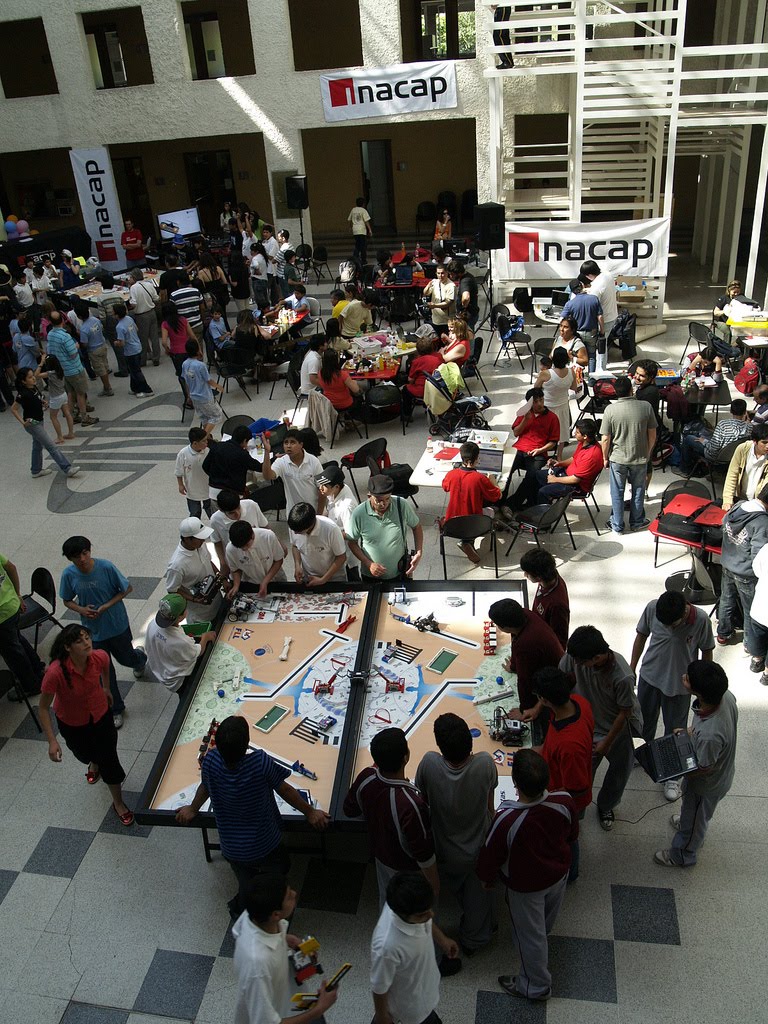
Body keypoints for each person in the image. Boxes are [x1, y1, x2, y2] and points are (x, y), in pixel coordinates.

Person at [176, 715, 329, 917]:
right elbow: (285, 790)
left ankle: (246, 901)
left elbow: (205, 787)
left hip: (232, 848)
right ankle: (269, 908)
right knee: (281, 868)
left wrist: (193, 808)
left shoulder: (210, 761)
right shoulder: (259, 762)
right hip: (266, 843)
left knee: (244, 878)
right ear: (247, 743)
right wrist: (310, 812)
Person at [477, 749, 578, 1002]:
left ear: (515, 783)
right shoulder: (564, 800)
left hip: (526, 888)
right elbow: (572, 834)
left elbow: (490, 855)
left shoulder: (507, 819)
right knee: (543, 924)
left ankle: (535, 986)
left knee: (529, 938)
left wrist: (486, 878)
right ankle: (541, 939)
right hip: (558, 875)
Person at [415, 713, 497, 956]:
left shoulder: (429, 763)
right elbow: (490, 808)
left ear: (440, 747)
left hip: (441, 849)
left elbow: (422, 801)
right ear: (469, 741)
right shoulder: (485, 763)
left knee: (437, 895)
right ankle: (473, 940)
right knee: (477, 901)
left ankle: (436, 945)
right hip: (476, 851)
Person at [39, 625, 134, 825]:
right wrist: (52, 741)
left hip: (101, 716)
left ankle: (118, 803)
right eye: (79, 641)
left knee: (109, 759)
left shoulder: (98, 657)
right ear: (67, 647)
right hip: (73, 724)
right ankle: (93, 762)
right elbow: (43, 708)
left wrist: (106, 688)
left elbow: (106, 667)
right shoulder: (55, 673)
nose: (86, 643)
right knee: (83, 754)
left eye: (87, 638)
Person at [631, 590, 715, 802]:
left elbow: (707, 651)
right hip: (650, 677)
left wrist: (703, 685)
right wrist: (632, 668)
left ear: (684, 612)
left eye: (672, 624)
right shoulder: (653, 607)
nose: (668, 628)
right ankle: (643, 754)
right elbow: (641, 636)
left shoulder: (701, 620)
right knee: (643, 722)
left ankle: (672, 777)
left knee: (676, 730)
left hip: (680, 686)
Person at [344, 728, 440, 910]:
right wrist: (434, 887)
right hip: (407, 869)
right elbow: (424, 855)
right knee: (412, 908)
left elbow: (349, 809)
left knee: (387, 899)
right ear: (406, 757)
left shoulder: (366, 777)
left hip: (381, 857)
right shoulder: (411, 804)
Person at [654, 661, 738, 868]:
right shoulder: (724, 697)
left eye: (687, 679)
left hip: (705, 786)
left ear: (698, 692)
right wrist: (688, 734)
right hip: (719, 776)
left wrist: (673, 769)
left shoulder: (711, 735)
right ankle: (688, 821)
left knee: (696, 822)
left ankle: (683, 854)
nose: (683, 677)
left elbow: (703, 767)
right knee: (692, 813)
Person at [560, 625, 642, 831]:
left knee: (619, 771)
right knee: (582, 775)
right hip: (586, 725)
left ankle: (606, 805)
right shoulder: (575, 656)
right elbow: (560, 679)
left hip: (617, 728)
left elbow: (625, 713)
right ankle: (576, 814)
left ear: (597, 658)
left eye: (581, 662)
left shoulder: (622, 676)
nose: (576, 664)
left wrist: (607, 742)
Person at [60, 536, 146, 729]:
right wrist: (81, 610)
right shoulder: (68, 575)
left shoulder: (106, 567)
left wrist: (106, 606)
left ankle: (139, 658)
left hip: (116, 625)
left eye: (85, 553)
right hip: (93, 633)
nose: (82, 559)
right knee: (104, 670)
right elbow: (67, 600)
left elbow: (127, 588)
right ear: (70, 558)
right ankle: (116, 708)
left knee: (126, 658)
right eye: (77, 556)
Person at [231, 876, 338, 1024]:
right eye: (288, 897)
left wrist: (287, 939)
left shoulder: (252, 915)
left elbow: (242, 933)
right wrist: (319, 1009)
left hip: (289, 1001)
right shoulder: (257, 966)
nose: (294, 894)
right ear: (276, 914)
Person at [371, 872, 459, 1024]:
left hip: (422, 986)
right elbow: (379, 986)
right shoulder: (386, 947)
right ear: (402, 914)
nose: (431, 915)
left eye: (430, 908)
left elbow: (426, 919)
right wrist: (382, 1016)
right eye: (423, 914)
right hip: (409, 1006)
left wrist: (442, 940)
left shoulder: (407, 904)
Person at [533, 667, 594, 881]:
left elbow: (576, 789)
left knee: (567, 837)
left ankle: (570, 873)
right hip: (558, 779)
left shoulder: (569, 746)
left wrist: (544, 800)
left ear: (544, 699)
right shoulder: (579, 702)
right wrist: (542, 751)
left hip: (563, 801)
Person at [488, 599, 563, 744]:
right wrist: (514, 665)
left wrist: (525, 709)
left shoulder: (526, 645)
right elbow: (515, 639)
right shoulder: (526, 615)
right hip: (553, 664)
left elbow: (525, 680)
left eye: (497, 624)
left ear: (505, 627)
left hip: (553, 681)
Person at [716, 484, 768, 659]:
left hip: (727, 564)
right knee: (749, 610)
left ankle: (723, 634)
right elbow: (760, 555)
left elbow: (723, 523)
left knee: (726, 600)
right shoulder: (762, 522)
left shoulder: (739, 506)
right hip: (746, 574)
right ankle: (748, 644)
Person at [600, 375, 657, 533]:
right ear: (631, 390)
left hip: (618, 459)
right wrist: (648, 452)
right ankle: (637, 521)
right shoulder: (646, 407)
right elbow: (652, 434)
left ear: (615, 392)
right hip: (640, 458)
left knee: (617, 492)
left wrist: (605, 457)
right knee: (638, 490)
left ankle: (617, 524)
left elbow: (605, 438)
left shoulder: (610, 410)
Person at [507, 419, 603, 511]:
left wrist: (555, 479)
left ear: (585, 436)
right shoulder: (584, 443)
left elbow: (576, 479)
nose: (574, 434)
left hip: (576, 486)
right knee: (535, 475)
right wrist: (559, 463)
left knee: (543, 492)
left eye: (577, 433)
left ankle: (542, 518)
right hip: (567, 474)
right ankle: (530, 505)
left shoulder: (591, 455)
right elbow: (574, 459)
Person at [347, 475, 423, 581]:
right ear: (369, 496)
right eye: (378, 500)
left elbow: (416, 526)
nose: (383, 504)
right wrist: (369, 563)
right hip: (370, 576)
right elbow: (352, 542)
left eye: (387, 499)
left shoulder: (401, 505)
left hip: (399, 572)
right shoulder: (359, 513)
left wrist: (419, 552)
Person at [10, 369, 82, 479]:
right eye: (30, 377)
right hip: (33, 424)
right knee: (51, 446)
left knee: (37, 446)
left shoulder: (34, 388)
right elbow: (14, 409)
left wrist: (43, 402)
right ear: (23, 381)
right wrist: (23, 422)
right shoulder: (22, 394)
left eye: (33, 376)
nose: (33, 378)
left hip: (39, 421)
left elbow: (36, 399)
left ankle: (36, 470)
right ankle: (67, 468)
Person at [144, 593, 215, 698]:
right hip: (178, 680)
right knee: (188, 695)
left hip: (161, 669)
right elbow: (198, 652)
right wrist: (205, 637)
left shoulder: (152, 624)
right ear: (181, 617)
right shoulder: (180, 641)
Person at [440, 441, 501, 563]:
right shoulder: (480, 478)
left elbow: (445, 487)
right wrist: (493, 481)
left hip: (452, 524)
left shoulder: (451, 474)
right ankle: (468, 541)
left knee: (467, 517)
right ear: (477, 458)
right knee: (493, 511)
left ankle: (467, 542)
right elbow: (497, 496)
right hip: (475, 524)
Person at [0, 553, 46, 701]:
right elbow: (11, 567)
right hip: (12, 605)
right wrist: (17, 594)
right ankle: (38, 668)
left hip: (1, 617)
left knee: (13, 653)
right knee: (17, 639)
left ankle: (31, 685)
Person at [165, 516, 223, 624]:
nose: (203, 540)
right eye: (200, 538)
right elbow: (172, 589)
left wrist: (221, 578)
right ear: (187, 539)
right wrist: (194, 599)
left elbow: (209, 561)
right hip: (200, 615)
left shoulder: (200, 545)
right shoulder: (176, 565)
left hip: (217, 601)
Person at [46, 310, 99, 426]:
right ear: (62, 320)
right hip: (74, 369)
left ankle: (72, 415)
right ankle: (84, 417)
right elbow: (73, 354)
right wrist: (76, 346)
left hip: (62, 369)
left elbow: (49, 351)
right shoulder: (65, 336)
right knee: (80, 393)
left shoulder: (50, 335)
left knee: (70, 392)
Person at [261, 427, 325, 511]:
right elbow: (267, 476)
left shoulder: (314, 461)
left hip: (313, 510)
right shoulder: (281, 462)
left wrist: (319, 514)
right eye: (286, 442)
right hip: (293, 512)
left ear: (301, 445)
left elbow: (322, 489)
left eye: (292, 442)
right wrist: (267, 452)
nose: (288, 446)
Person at [287, 503, 347, 586]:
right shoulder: (295, 526)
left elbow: (341, 557)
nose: (295, 533)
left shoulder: (331, 529)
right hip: (309, 578)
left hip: (333, 579)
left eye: (299, 532)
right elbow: (295, 546)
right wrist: (297, 565)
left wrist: (323, 579)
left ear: (310, 526)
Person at [520, 548, 570, 646]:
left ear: (539, 577)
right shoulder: (549, 576)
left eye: (527, 573)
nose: (525, 575)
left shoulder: (557, 605)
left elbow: (560, 641)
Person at [226, 520, 286, 599]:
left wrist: (265, 582)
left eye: (247, 545)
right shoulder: (230, 549)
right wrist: (236, 586)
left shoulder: (268, 536)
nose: (244, 549)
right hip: (252, 584)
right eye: (240, 547)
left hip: (275, 579)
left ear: (253, 535)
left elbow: (278, 560)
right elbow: (236, 569)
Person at [535, 347, 575, 458]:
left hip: (547, 406)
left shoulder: (546, 373)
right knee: (562, 431)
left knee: (545, 431)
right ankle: (559, 456)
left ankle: (543, 453)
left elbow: (536, 387)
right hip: (563, 405)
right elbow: (574, 387)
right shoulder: (571, 372)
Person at [210, 489, 269, 565]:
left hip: (260, 552)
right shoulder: (215, 520)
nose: (237, 514)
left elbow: (266, 527)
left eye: (238, 508)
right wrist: (223, 562)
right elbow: (217, 542)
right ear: (221, 510)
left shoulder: (251, 505)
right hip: (238, 559)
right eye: (232, 513)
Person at [510, 387, 560, 473]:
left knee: (533, 474)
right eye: (535, 402)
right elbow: (516, 433)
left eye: (541, 400)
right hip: (519, 449)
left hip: (538, 453)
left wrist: (540, 450)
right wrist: (525, 419)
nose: (539, 404)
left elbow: (553, 442)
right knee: (507, 468)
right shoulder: (524, 413)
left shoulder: (553, 417)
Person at [182, 339, 224, 436]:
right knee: (216, 415)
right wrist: (218, 387)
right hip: (204, 396)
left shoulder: (185, 364)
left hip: (194, 397)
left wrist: (188, 395)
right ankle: (203, 437)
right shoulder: (200, 365)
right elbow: (208, 380)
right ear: (198, 350)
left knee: (204, 418)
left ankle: (208, 439)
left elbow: (186, 381)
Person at [722, 424, 768, 509]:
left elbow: (765, 486)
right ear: (755, 441)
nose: (767, 446)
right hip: (740, 498)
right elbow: (732, 475)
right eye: (764, 442)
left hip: (759, 503)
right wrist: (727, 500)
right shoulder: (743, 449)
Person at [562, 278, 603, 372]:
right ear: (582, 286)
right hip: (591, 333)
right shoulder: (594, 299)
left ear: (572, 291)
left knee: (577, 356)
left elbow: (562, 319)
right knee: (592, 356)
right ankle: (592, 378)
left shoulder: (570, 304)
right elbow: (600, 317)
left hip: (577, 334)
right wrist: (602, 331)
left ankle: (578, 376)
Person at [114, 303, 153, 398]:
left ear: (117, 315)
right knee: (133, 370)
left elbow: (122, 343)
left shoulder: (119, 327)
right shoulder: (129, 319)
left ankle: (146, 389)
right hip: (137, 346)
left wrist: (116, 343)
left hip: (130, 351)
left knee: (136, 371)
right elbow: (136, 329)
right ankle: (134, 388)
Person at [36, 354, 75, 444]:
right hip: (63, 394)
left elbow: (36, 375)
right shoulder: (60, 370)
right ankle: (71, 433)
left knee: (53, 417)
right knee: (67, 413)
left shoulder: (50, 374)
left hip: (55, 397)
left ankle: (60, 437)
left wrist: (41, 363)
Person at [175, 426, 212, 519]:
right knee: (195, 513)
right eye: (204, 441)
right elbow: (179, 471)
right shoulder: (183, 453)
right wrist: (180, 485)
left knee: (211, 512)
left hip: (208, 488)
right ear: (195, 443)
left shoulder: (208, 451)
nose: (206, 442)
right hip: (192, 490)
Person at [580, 259, 618, 347]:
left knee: (600, 347)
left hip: (605, 319)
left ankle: (601, 356)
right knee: (603, 343)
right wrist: (589, 290)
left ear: (589, 275)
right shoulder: (607, 274)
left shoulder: (596, 287)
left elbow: (592, 307)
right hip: (612, 315)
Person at [77, 304, 114, 397]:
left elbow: (84, 344)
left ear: (79, 316)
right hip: (103, 345)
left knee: (100, 370)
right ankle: (107, 386)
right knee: (104, 366)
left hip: (94, 350)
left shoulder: (83, 329)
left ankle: (108, 388)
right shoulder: (95, 320)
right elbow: (101, 328)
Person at [447, 260, 479, 332]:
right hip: (472, 313)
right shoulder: (468, 276)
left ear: (458, 273)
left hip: (468, 317)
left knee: (467, 336)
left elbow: (466, 297)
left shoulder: (465, 281)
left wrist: (463, 307)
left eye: (452, 274)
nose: (450, 276)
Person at [423, 264, 455, 336]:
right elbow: (426, 293)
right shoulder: (434, 282)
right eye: (438, 273)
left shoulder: (451, 286)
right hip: (435, 320)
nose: (440, 275)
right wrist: (428, 286)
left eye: (442, 273)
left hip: (446, 321)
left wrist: (434, 306)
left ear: (447, 273)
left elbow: (448, 303)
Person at [348, 197, 372, 263]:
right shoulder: (363, 210)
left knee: (357, 245)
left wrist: (350, 227)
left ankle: (355, 257)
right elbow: (366, 221)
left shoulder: (353, 210)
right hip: (362, 230)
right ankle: (363, 259)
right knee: (363, 246)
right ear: (363, 204)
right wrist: (370, 230)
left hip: (355, 230)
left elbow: (349, 220)